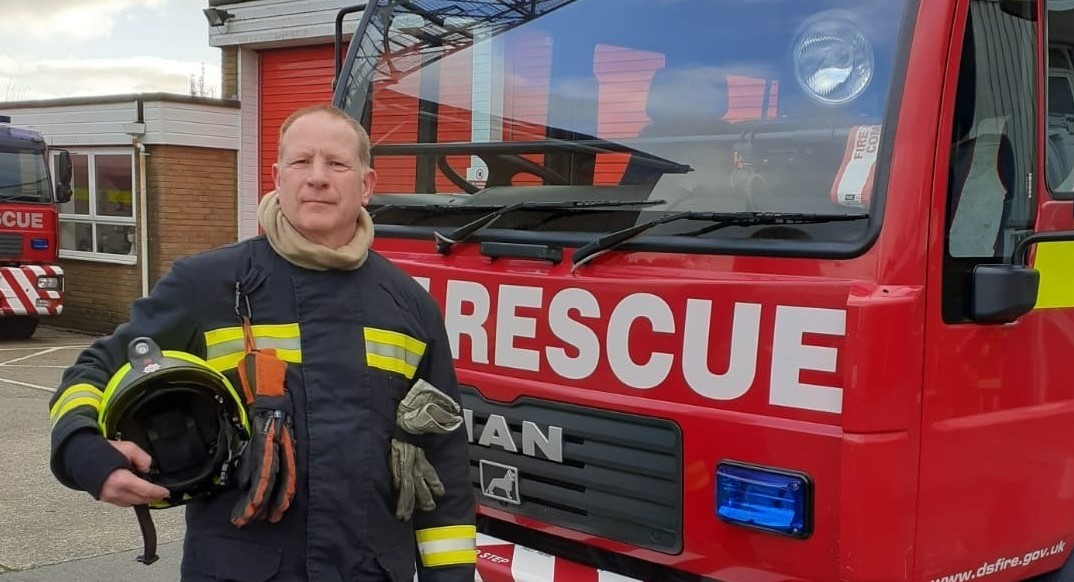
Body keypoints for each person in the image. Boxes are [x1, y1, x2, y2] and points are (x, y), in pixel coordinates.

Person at [47, 104, 477, 582]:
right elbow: (95, 368)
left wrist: (450, 575)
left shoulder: (409, 306)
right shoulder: (206, 285)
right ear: (276, 177)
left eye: (336, 163)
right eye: (300, 162)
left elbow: (444, 458)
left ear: (367, 184)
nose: (317, 178)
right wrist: (85, 453)